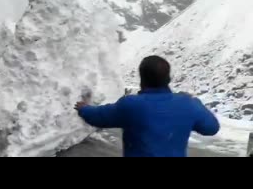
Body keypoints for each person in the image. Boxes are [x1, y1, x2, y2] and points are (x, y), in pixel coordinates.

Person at [75, 55, 220, 157]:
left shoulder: (131, 104)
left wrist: (83, 108)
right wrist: (194, 101)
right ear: (168, 78)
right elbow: (212, 128)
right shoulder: (187, 103)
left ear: (142, 79)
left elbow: (99, 117)